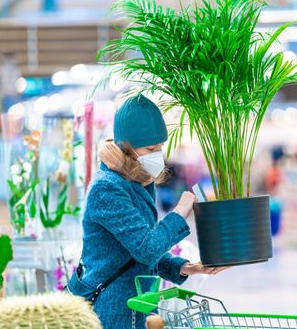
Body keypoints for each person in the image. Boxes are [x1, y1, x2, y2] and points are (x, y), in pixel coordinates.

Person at [74, 96, 226, 328]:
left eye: (161, 147)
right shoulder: (107, 188)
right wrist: (179, 212)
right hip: (112, 311)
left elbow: (135, 249)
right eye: (151, 148)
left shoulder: (139, 181)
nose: (158, 154)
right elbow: (146, 249)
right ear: (126, 147)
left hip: (140, 307)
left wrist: (185, 267)